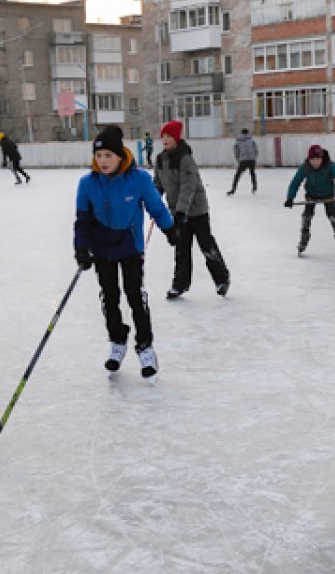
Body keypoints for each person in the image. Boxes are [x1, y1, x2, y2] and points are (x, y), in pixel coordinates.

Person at [74, 125, 177, 380]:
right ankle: (117, 341)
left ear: (120, 156)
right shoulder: (87, 183)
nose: (103, 161)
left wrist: (169, 229)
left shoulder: (138, 179)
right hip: (101, 248)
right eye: (99, 155)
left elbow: (156, 207)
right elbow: (82, 220)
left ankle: (145, 347)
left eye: (108, 155)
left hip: (130, 246)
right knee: (109, 297)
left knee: (135, 295)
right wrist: (81, 248)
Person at [153, 119, 231, 299]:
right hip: (178, 212)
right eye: (163, 136)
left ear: (176, 138)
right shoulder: (160, 159)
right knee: (181, 249)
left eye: (169, 136)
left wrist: (182, 211)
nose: (165, 139)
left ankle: (222, 279)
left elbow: (188, 187)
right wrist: (154, 199)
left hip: (196, 211)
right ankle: (179, 285)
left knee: (206, 246)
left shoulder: (185, 158)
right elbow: (157, 183)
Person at [284, 144, 335, 256]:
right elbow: (295, 182)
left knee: (333, 218)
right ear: (309, 159)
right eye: (312, 160)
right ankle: (303, 242)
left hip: (328, 194)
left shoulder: (330, 166)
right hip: (312, 194)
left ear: (322, 158)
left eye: (318, 159)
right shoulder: (305, 167)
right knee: (306, 217)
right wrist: (290, 198)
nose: (315, 162)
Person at [228, 128, 259, 195]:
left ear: (241, 133)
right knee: (252, 173)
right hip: (251, 160)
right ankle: (254, 187)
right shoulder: (251, 140)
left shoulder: (238, 140)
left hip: (243, 160)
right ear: (248, 133)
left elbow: (236, 151)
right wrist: (254, 157)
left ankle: (233, 189)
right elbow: (256, 149)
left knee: (237, 175)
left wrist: (238, 159)